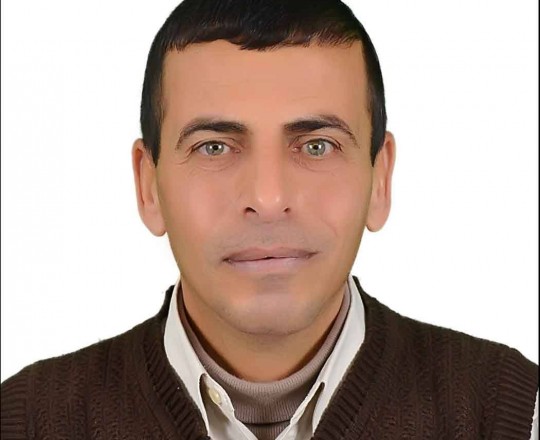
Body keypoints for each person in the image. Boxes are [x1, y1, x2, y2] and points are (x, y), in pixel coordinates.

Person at [1, 0, 537, 439]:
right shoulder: (25, 422)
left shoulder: (509, 414)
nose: (268, 197)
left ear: (380, 180)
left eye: (317, 145)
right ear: (148, 186)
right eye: (214, 147)